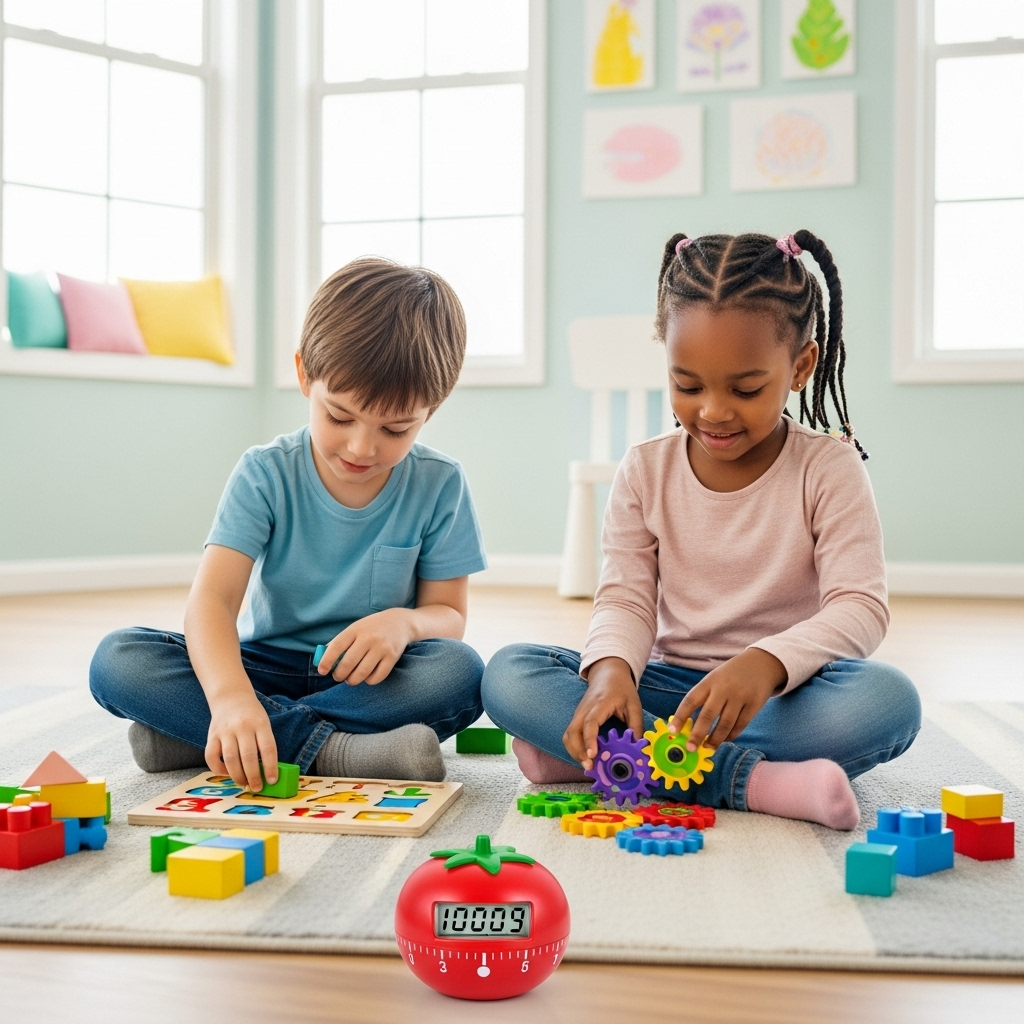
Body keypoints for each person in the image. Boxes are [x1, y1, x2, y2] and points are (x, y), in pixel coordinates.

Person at [482, 231, 921, 830]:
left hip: (780, 697)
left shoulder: (828, 467)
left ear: (801, 366)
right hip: (670, 691)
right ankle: (756, 783)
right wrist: (612, 672)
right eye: (688, 385)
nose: (713, 410)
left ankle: (606, 762)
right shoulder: (644, 468)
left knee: (888, 701)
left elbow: (860, 607)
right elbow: (626, 597)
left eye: (745, 389)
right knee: (510, 673)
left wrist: (765, 664)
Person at [90, 258, 487, 790]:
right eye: (340, 416)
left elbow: (449, 614)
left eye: (395, 429)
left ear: (430, 412)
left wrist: (403, 624)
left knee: (458, 672)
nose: (361, 447)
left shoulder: (440, 483)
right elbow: (212, 602)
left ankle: (211, 739)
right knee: (118, 659)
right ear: (304, 375)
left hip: (368, 679)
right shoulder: (265, 472)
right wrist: (231, 696)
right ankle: (337, 751)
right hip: (262, 666)